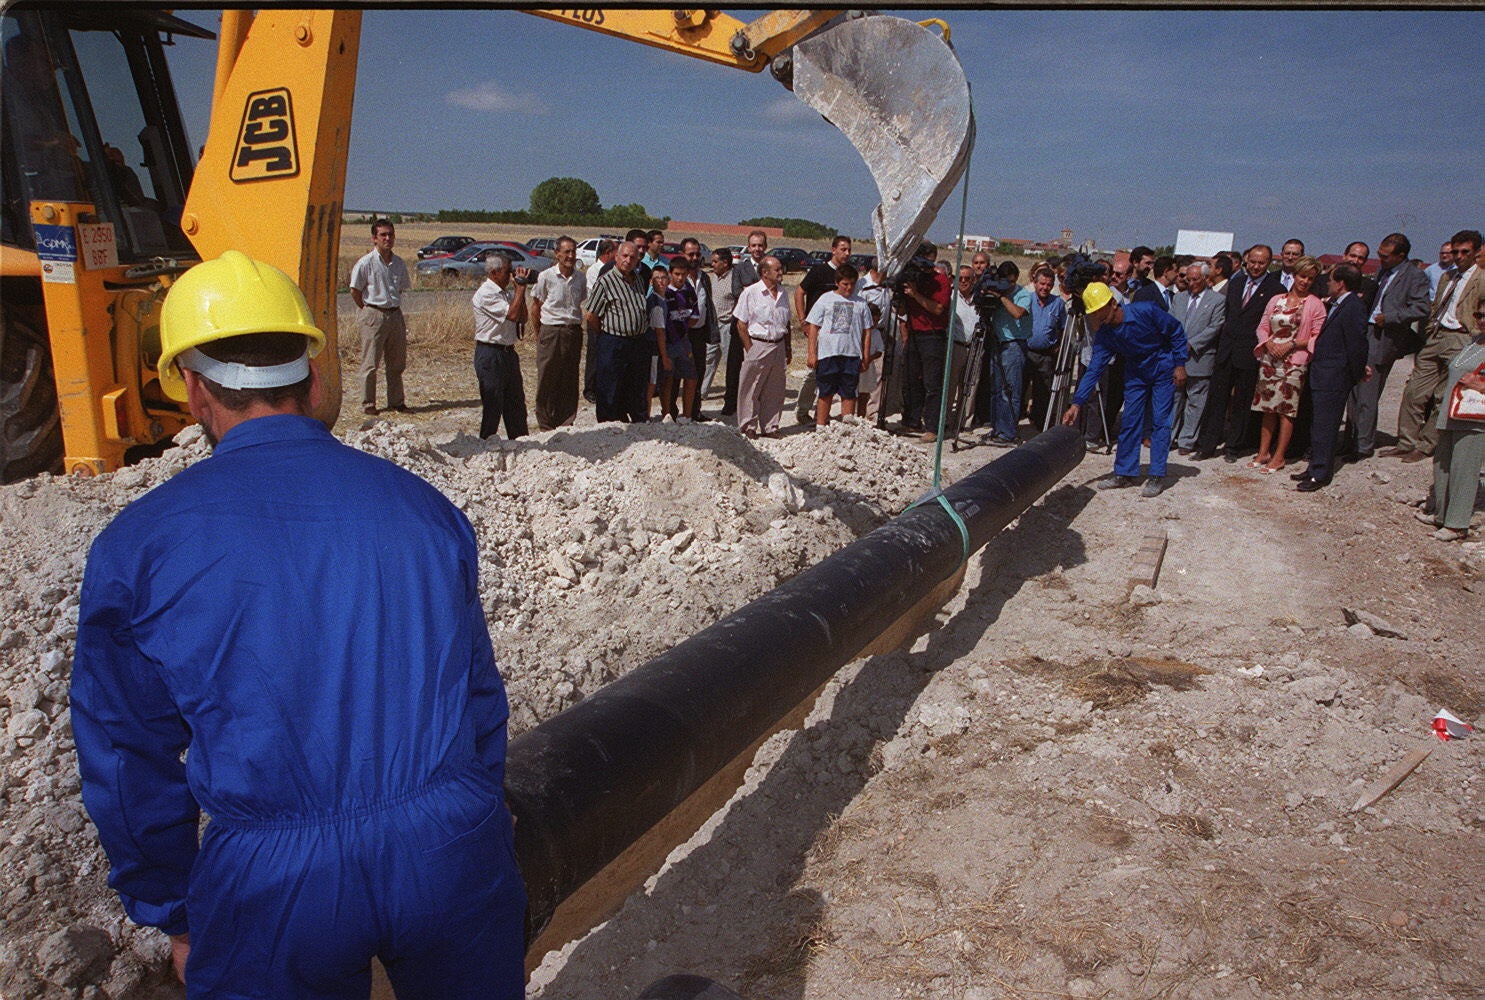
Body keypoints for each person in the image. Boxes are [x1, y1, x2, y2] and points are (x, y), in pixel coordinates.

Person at [71, 251, 526, 999]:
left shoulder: (141, 544)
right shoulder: (421, 508)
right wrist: (480, 809)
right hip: (449, 845)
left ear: (190, 388)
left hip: (276, 880)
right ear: (313, 379)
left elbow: (125, 756)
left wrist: (173, 910)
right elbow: (476, 690)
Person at [1061, 281, 1188, 498]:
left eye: (1100, 311)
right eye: (1093, 313)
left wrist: (1180, 364)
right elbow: (1094, 370)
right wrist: (1076, 403)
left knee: (1160, 421)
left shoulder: (1145, 311)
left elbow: (1176, 331)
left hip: (1162, 367)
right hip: (1136, 372)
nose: (1098, 317)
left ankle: (1157, 474)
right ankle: (1125, 472)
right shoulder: (1105, 335)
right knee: (1130, 420)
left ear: (1112, 304)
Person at [1391, 229, 1482, 461]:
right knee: (1414, 390)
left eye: (1465, 252)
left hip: (1461, 337)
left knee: (1444, 395)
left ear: (1476, 252)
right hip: (1437, 335)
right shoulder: (1446, 277)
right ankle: (1405, 441)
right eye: (1456, 251)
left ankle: (1426, 444)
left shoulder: (1481, 279)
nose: (1459, 256)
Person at [1345, 232, 1433, 460]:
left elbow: (1421, 308)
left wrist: (1392, 316)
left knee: (1367, 392)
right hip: (1367, 331)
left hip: (1383, 336)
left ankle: (1362, 445)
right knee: (1354, 390)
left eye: (1385, 256)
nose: (1380, 259)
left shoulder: (1415, 277)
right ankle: (1350, 439)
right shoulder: (1384, 272)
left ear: (1400, 255)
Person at [1194, 244, 1284, 461]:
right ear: (1246, 260)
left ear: (1269, 263)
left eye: (1261, 263)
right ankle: (1207, 445)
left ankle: (1233, 447)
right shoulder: (1236, 283)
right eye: (1252, 261)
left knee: (1242, 403)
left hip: (1250, 353)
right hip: (1227, 350)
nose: (1255, 266)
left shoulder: (1276, 289)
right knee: (1217, 399)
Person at [1294, 265, 1371, 492]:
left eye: (1330, 280)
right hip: (1324, 373)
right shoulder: (1341, 304)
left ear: (1341, 283)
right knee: (1318, 424)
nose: (1327, 284)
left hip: (1334, 377)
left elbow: (1357, 344)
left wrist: (1357, 373)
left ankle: (1320, 473)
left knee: (1326, 426)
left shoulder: (1353, 307)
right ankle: (1314, 466)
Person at [1250, 256, 1325, 473]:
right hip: (1270, 359)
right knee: (1267, 408)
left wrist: (1293, 344)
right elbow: (1263, 325)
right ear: (1294, 275)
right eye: (1302, 276)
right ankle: (1263, 452)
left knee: (1286, 410)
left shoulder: (1315, 304)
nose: (1305, 282)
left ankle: (1280, 455)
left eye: (1310, 278)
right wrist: (1268, 343)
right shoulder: (1276, 300)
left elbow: (1317, 335)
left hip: (1294, 362)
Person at [1422, 306, 1485, 539]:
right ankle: (1441, 514)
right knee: (1443, 463)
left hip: (1474, 417)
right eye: (1478, 314)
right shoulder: (1475, 341)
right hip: (1452, 410)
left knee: (1464, 468)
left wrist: (1481, 384)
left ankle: (1457, 524)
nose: (1481, 320)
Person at [584, 240, 652, 422]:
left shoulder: (638, 280)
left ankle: (637, 423)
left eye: (633, 257)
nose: (628, 260)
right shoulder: (605, 282)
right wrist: (606, 334)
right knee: (610, 386)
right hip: (614, 342)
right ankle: (609, 426)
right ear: (616, 256)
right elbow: (591, 315)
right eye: (625, 256)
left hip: (637, 342)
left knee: (635, 385)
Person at [348, 218, 410, 415]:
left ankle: (396, 402)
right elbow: (354, 290)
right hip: (374, 313)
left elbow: (401, 288)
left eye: (390, 234)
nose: (388, 238)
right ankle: (368, 404)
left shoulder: (399, 263)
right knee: (370, 363)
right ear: (374, 238)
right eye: (383, 235)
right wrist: (366, 310)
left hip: (394, 314)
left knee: (397, 362)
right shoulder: (365, 263)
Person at [803, 263, 873, 426]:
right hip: (829, 353)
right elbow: (813, 326)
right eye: (845, 284)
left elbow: (867, 330)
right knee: (826, 391)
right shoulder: (826, 299)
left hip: (852, 354)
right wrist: (812, 353)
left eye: (852, 284)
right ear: (837, 282)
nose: (849, 288)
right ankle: (821, 425)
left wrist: (866, 356)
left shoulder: (861, 303)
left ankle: (846, 426)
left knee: (849, 391)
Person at [793, 235, 853, 424]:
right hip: (818, 330)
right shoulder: (819, 271)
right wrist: (804, 321)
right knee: (814, 371)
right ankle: (803, 410)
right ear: (833, 250)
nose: (847, 253)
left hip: (838, 334)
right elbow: (799, 291)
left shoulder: (847, 276)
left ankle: (830, 415)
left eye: (849, 250)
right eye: (843, 249)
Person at [472, 252, 531, 440]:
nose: (511, 275)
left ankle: (520, 442)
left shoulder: (504, 293)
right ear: (495, 272)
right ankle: (486, 447)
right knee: (493, 405)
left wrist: (519, 291)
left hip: (507, 353)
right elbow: (512, 315)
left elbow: (523, 317)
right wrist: (520, 289)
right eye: (508, 272)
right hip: (490, 353)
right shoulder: (486, 294)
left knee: (516, 405)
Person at [899, 241, 953, 442]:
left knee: (932, 383)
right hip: (914, 333)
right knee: (911, 380)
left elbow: (938, 308)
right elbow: (903, 310)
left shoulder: (941, 280)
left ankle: (932, 426)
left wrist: (916, 294)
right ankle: (911, 420)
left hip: (933, 335)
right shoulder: (913, 278)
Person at [530, 235, 587, 430]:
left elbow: (581, 303)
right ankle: (546, 423)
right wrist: (539, 334)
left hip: (573, 331)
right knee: (547, 377)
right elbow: (535, 306)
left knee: (569, 377)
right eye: (566, 252)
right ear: (557, 254)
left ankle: (566, 421)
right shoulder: (546, 276)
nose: (570, 256)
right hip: (551, 330)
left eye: (573, 251)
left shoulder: (581, 277)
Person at [1169, 261, 1226, 453]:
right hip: (1176, 357)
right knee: (1174, 399)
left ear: (1206, 279)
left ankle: (1187, 440)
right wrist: (1177, 344)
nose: (1191, 283)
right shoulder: (1179, 298)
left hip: (1200, 358)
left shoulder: (1217, 300)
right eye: (1188, 279)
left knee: (1195, 402)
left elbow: (1215, 327)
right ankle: (1168, 437)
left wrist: (1192, 344)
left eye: (1195, 279)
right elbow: (1170, 323)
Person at [733, 255, 792, 438]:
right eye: (777, 269)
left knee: (775, 389)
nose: (781, 272)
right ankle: (748, 425)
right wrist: (751, 349)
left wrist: (787, 348)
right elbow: (741, 324)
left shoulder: (783, 294)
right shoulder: (751, 293)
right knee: (751, 387)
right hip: (758, 344)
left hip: (778, 345)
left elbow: (787, 323)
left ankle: (771, 426)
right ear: (765, 273)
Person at [980, 260, 1032, 447]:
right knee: (995, 390)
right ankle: (997, 428)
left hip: (1014, 345)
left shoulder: (1023, 294)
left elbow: (1018, 313)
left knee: (1009, 391)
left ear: (1016, 279)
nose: (1008, 286)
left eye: (1011, 282)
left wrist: (1001, 297)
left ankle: (1008, 432)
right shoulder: (998, 289)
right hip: (997, 343)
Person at [723, 230, 770, 416]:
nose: (757, 249)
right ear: (748, 247)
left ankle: (756, 403)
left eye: (760, 245)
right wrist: (758, 290)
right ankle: (730, 402)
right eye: (753, 245)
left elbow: (773, 289)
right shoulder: (740, 268)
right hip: (741, 323)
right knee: (735, 365)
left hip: (762, 325)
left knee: (760, 366)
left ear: (765, 247)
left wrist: (749, 288)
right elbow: (736, 291)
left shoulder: (771, 266)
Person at [656, 257, 701, 422]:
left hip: (683, 341)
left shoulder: (689, 290)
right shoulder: (663, 292)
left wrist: (682, 330)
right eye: (677, 274)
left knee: (691, 377)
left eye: (683, 274)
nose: (680, 278)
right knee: (667, 378)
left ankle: (687, 415)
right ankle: (666, 413)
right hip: (666, 342)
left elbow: (695, 315)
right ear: (670, 273)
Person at [1024, 264, 1067, 430]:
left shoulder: (1058, 303)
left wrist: (1058, 345)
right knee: (1020, 388)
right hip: (1027, 352)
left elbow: (1063, 327)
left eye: (1049, 285)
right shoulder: (1026, 299)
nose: (1045, 288)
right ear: (1035, 283)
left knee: (1043, 391)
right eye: (1042, 284)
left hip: (1046, 355)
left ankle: (1041, 423)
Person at [681, 238, 719, 416]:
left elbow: (707, 305)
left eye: (697, 254)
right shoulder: (677, 277)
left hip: (699, 334)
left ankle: (694, 412)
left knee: (698, 372)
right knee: (676, 375)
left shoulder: (704, 277)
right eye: (691, 254)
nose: (695, 258)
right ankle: (672, 413)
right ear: (682, 255)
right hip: (680, 334)